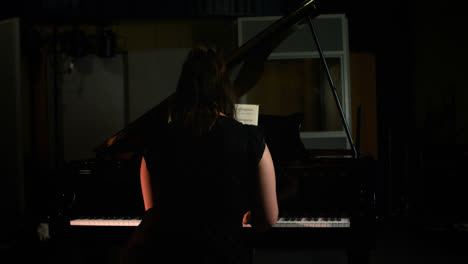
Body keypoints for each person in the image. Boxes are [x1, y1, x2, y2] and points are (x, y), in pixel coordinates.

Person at [121, 44, 278, 264]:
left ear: (182, 90)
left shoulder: (155, 142)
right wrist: (249, 215)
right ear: (224, 89)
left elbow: (153, 216)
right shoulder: (251, 139)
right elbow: (268, 220)